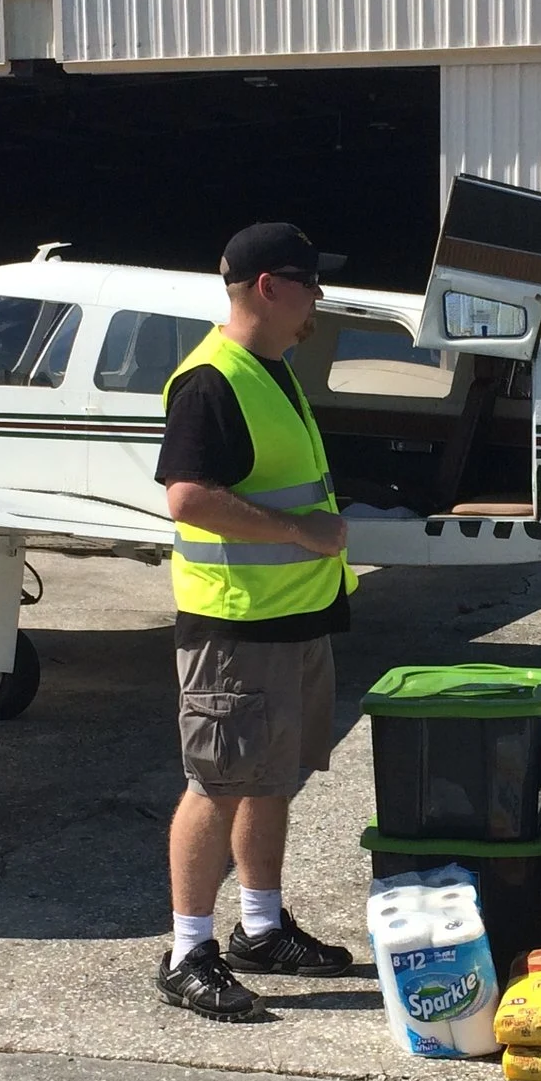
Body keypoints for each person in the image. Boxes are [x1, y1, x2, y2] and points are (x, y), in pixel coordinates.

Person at [152, 222, 359, 1020]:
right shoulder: (211, 379)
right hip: (236, 627)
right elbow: (189, 496)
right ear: (270, 287)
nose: (319, 301)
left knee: (273, 778)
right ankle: (186, 950)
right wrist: (304, 534)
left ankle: (262, 928)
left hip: (293, 619)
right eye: (311, 285)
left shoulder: (273, 370)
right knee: (219, 782)